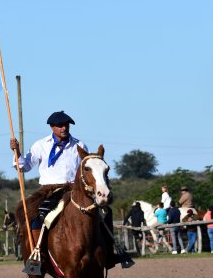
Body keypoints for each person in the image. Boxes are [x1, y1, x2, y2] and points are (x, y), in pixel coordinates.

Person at [10, 110, 133, 269]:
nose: (64, 128)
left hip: (74, 190)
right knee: (35, 217)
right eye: (60, 126)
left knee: (105, 213)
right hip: (48, 191)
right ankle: (35, 257)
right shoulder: (40, 145)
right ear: (52, 127)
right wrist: (17, 151)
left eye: (66, 125)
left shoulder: (79, 145)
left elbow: (86, 170)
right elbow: (23, 166)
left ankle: (110, 253)